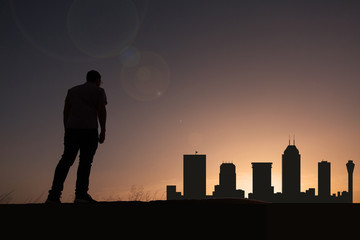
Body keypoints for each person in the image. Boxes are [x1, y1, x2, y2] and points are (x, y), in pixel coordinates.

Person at [46, 70, 107, 204]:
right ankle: (80, 194)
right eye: (100, 81)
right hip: (89, 130)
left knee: (66, 160)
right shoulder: (99, 91)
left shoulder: (72, 91)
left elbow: (66, 111)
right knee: (85, 162)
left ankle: (54, 195)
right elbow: (101, 111)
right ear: (97, 79)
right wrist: (103, 131)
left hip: (72, 130)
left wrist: (66, 129)